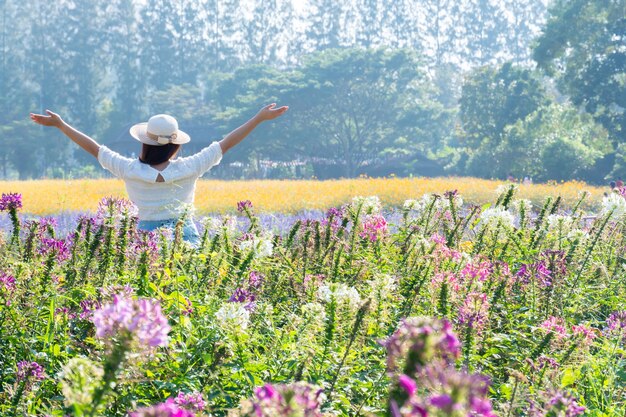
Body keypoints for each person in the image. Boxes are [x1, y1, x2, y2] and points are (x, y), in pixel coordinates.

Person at [30, 104, 289, 245]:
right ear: (175, 144)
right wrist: (259, 118)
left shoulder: (129, 170)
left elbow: (94, 149)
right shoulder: (190, 167)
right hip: (186, 240)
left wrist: (61, 125)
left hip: (145, 244)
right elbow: (227, 142)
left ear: (144, 142)